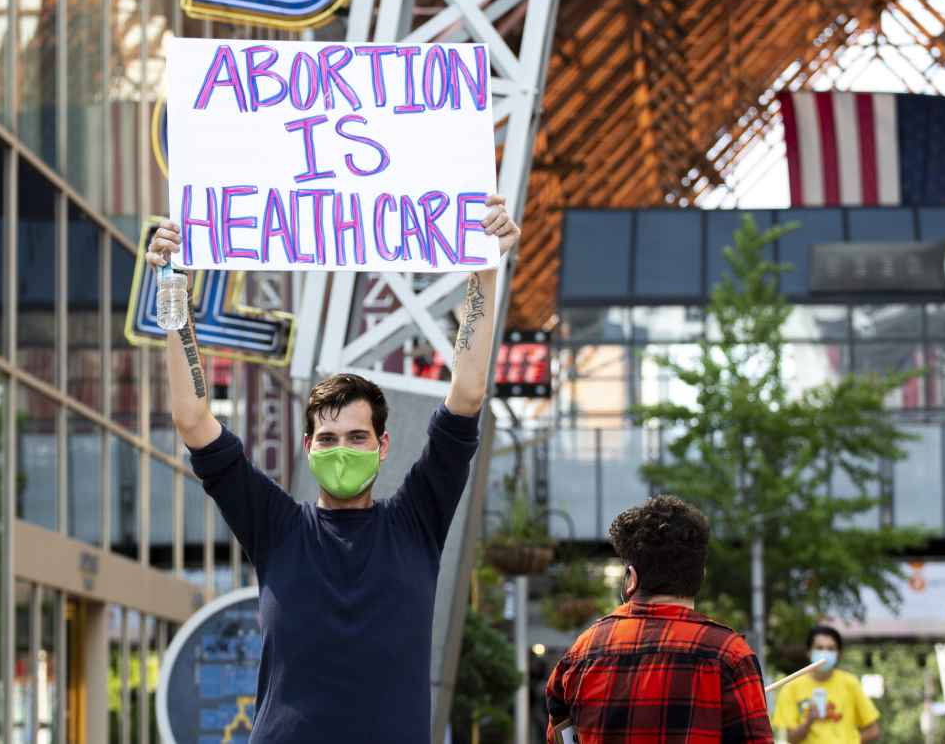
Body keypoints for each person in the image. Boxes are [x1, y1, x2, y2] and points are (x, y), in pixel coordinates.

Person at [145, 196, 520, 743]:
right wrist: (172, 285)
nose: (341, 449)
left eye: (356, 437)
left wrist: (484, 267)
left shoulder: (417, 520)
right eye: (328, 438)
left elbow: (466, 392)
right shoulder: (275, 527)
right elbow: (192, 416)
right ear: (308, 444)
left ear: (383, 444)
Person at [544, 495, 774, 743]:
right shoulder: (729, 657)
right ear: (699, 576)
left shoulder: (581, 653)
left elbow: (558, 737)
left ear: (631, 578)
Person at [771, 625, 880, 743]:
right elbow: (791, 738)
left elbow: (873, 731)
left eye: (830, 649)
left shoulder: (850, 683)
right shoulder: (791, 687)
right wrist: (808, 722)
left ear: (839, 654)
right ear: (809, 652)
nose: (824, 653)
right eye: (819, 648)